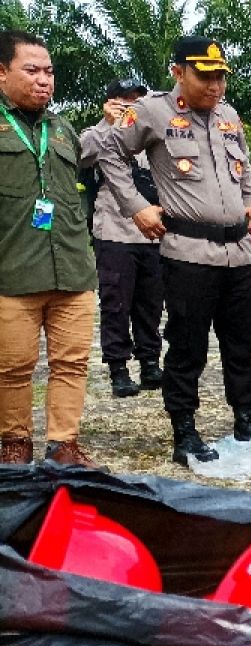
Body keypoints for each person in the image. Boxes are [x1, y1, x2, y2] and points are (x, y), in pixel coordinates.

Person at [97, 36, 251, 467]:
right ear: (178, 73)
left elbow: (246, 169)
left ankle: (246, 419)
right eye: (205, 76)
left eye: (221, 76)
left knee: (242, 343)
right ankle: (185, 431)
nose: (215, 86)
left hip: (240, 253)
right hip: (188, 253)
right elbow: (109, 152)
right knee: (188, 346)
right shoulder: (153, 110)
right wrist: (136, 207)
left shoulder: (229, 115)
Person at [0, 30, 100, 467]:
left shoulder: (62, 130)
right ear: (1, 73)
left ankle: (64, 446)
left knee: (72, 364)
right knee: (12, 371)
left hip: (73, 272)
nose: (45, 80)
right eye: (32, 70)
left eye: (49, 71)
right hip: (13, 273)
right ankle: (14, 446)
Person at [79, 77, 164, 399]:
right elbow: (79, 155)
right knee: (116, 304)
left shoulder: (152, 135)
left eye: (137, 100)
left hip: (153, 233)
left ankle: (150, 363)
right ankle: (118, 368)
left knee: (151, 305)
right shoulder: (98, 133)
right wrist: (108, 122)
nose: (131, 106)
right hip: (114, 232)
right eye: (124, 99)